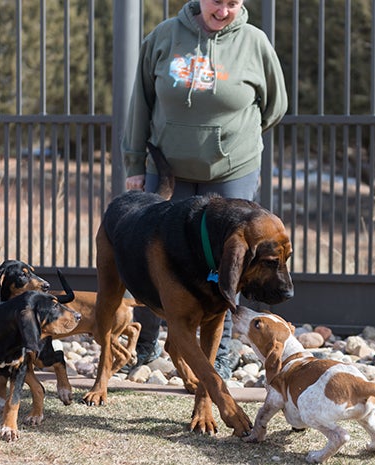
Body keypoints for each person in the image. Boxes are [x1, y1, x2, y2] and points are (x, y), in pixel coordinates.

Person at [120, 0, 288, 379]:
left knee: (232, 263)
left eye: (234, 2)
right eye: (217, 1)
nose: (224, 10)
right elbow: (141, 103)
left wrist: (230, 138)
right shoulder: (164, 36)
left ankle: (221, 354)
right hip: (168, 171)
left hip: (231, 171)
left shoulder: (254, 42)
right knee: (154, 259)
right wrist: (134, 165)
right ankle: (146, 344)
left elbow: (275, 106)